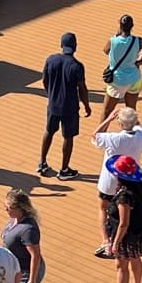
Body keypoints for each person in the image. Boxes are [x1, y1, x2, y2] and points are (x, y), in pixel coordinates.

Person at [102, 154, 142, 283]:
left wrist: (115, 243)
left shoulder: (124, 196)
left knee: (122, 266)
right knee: (135, 258)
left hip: (126, 235)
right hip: (140, 229)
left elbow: (124, 223)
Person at [39, 32, 90, 177]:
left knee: (49, 131)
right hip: (70, 108)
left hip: (53, 105)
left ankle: (42, 163)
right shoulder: (77, 66)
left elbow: (44, 80)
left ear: (61, 45)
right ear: (75, 47)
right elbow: (82, 88)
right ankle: (64, 170)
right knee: (68, 137)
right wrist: (86, 105)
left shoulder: (51, 60)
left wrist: (51, 95)